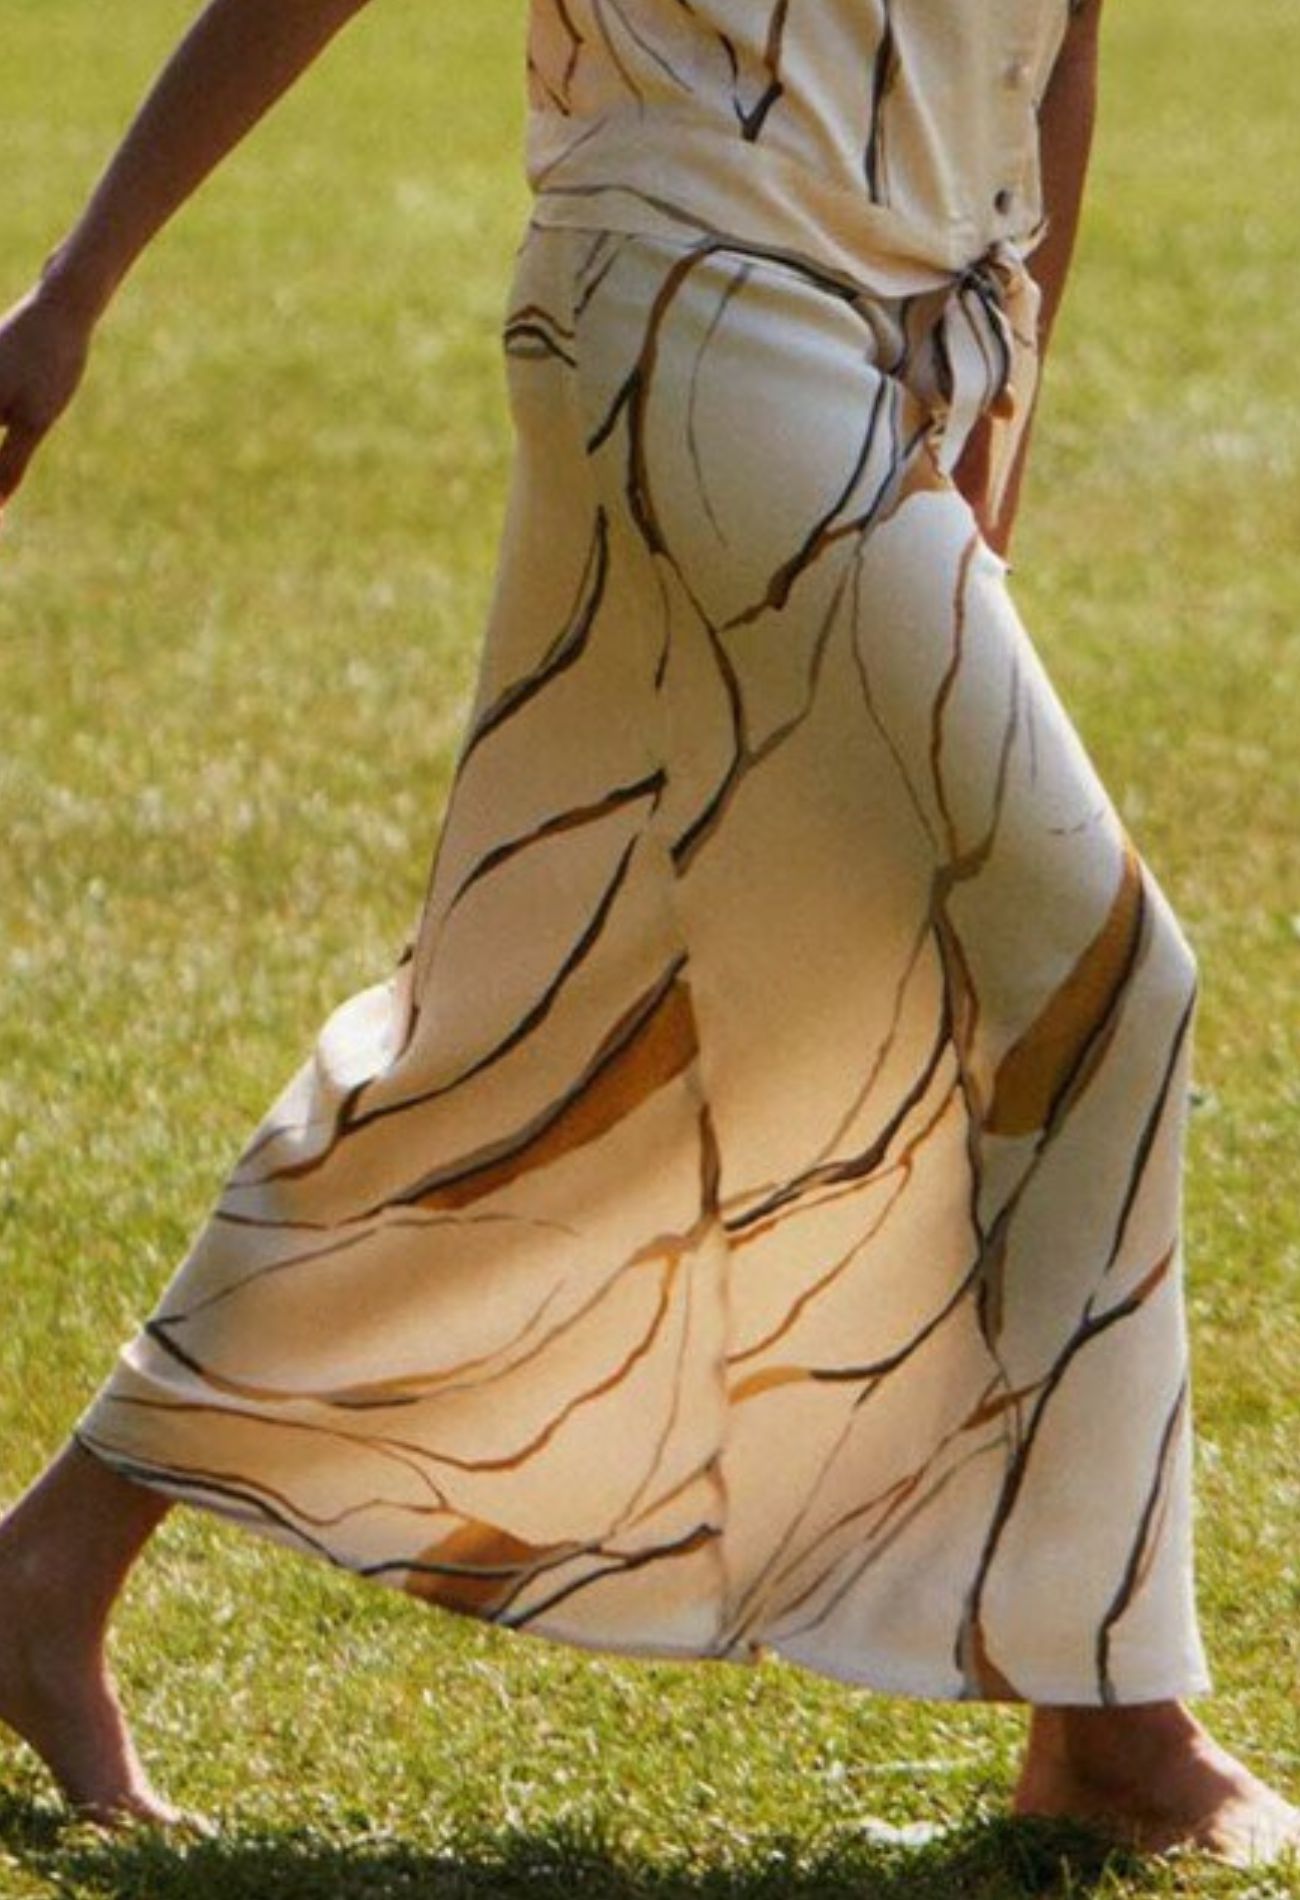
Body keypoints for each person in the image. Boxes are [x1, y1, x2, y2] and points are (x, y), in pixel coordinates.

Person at [0, 0, 1296, 1868]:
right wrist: (74, 290)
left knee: (553, 1020)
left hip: (897, 343)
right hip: (691, 308)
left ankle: (47, 1568)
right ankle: (1111, 1730)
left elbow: (1056, 39)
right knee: (1102, 970)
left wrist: (1008, 382)